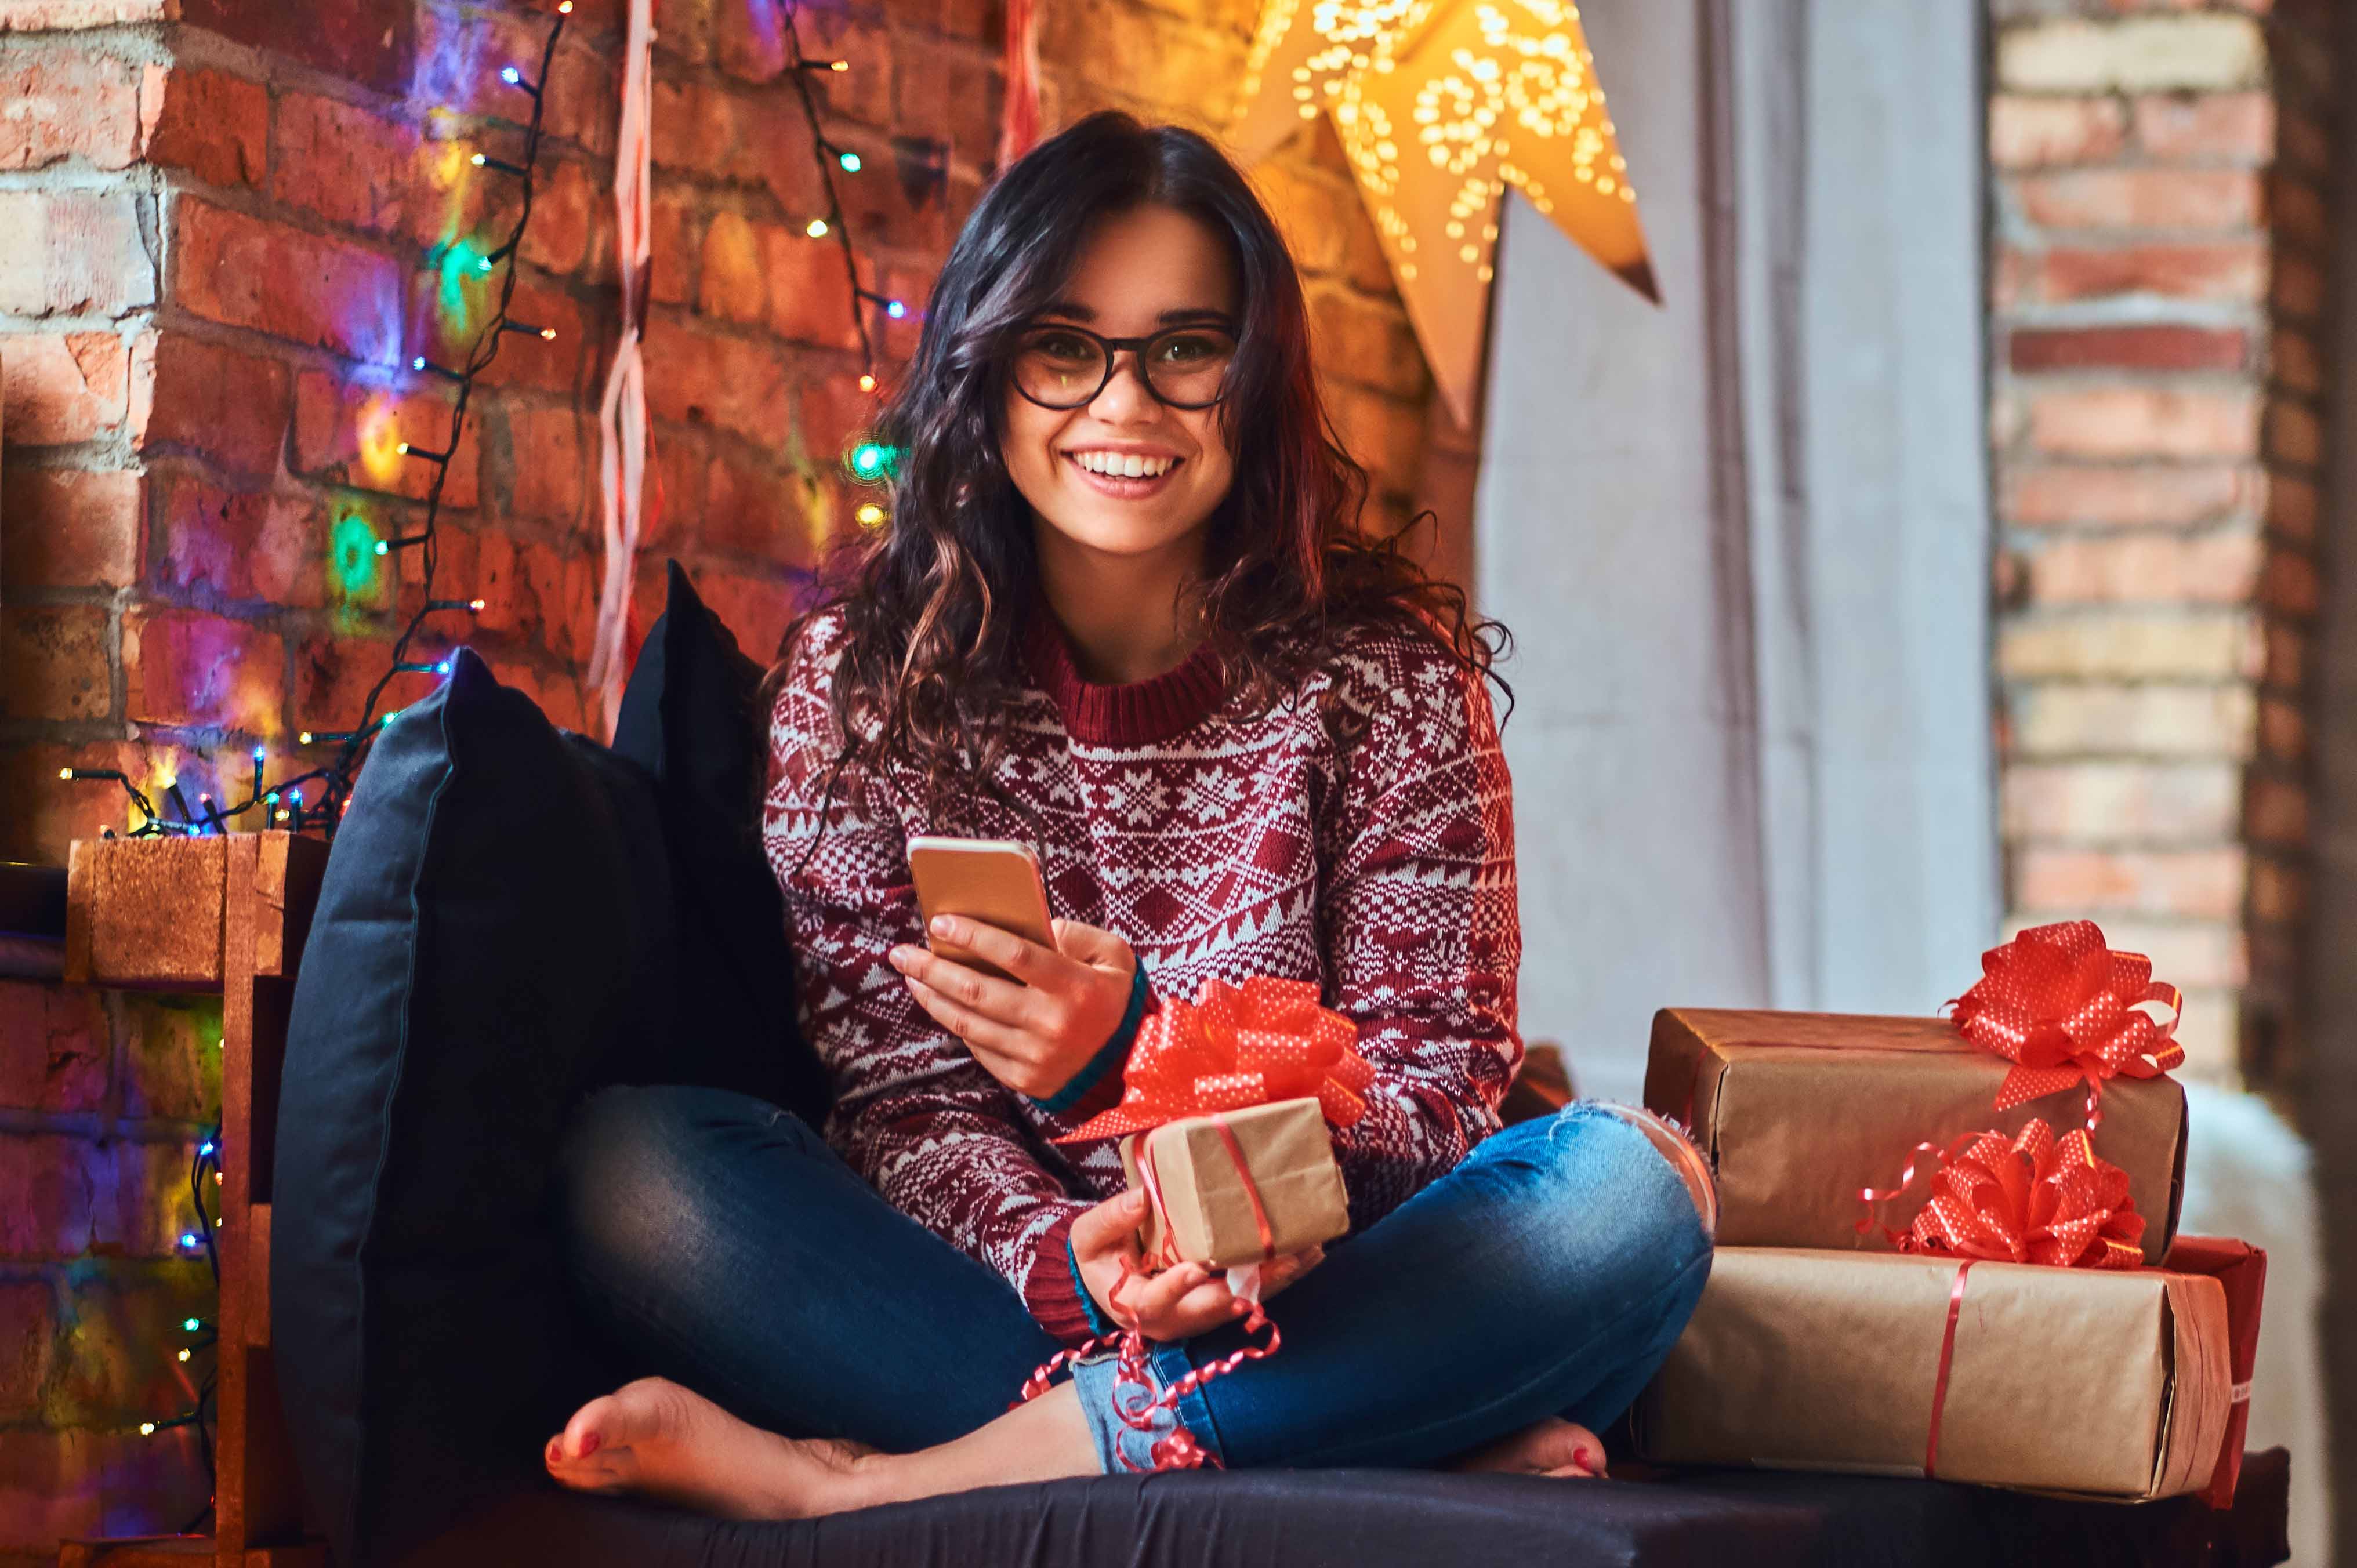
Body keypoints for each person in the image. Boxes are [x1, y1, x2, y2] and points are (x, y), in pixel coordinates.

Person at [543, 109, 1716, 1519]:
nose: (1124, 404)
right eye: (1064, 348)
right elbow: (902, 1106)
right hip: (1015, 1305)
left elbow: (1431, 1107)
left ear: (1256, 376)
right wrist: (1078, 1258)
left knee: (1629, 1187)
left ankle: (885, 1486)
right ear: (989, 376)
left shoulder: (1388, 687)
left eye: (1185, 348)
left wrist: (1124, 1064)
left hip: (1331, 1281)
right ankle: (1359, 1436)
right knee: (638, 1169)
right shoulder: (858, 689)